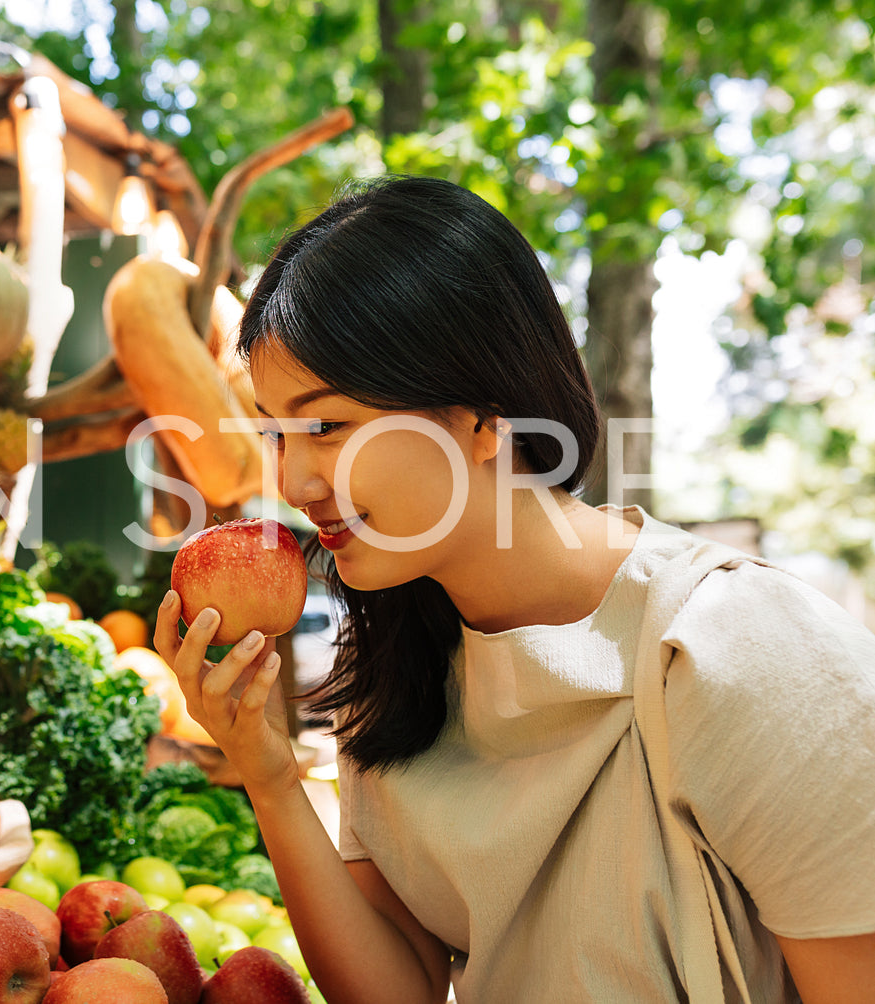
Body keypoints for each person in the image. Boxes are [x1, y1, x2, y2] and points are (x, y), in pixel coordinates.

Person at [154, 174, 875, 1003]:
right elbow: (399, 994)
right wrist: (268, 775)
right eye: (275, 433)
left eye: (325, 427)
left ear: (485, 420)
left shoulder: (735, 646)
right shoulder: (400, 667)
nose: (293, 481)